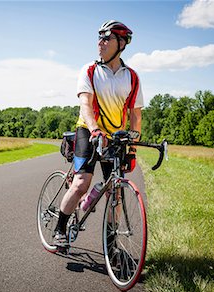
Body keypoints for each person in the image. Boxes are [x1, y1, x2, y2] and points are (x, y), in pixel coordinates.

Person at [54, 20, 144, 246]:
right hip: (88, 129)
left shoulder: (131, 77)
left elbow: (135, 116)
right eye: (99, 38)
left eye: (106, 38)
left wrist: (132, 149)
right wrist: (94, 129)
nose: (100, 42)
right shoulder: (90, 70)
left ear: (121, 43)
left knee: (116, 192)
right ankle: (60, 228)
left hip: (114, 137)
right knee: (81, 183)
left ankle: (112, 246)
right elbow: (85, 104)